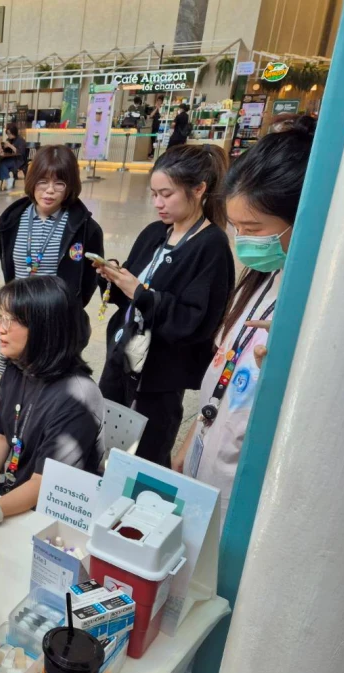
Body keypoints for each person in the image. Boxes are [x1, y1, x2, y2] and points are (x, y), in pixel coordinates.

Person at [174, 116, 316, 530]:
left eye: (253, 228)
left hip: (250, 492)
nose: (243, 241)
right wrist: (191, 438)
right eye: (236, 227)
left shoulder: (309, 301)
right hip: (208, 454)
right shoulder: (263, 277)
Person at [96, 145, 234, 467]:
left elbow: (196, 321)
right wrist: (114, 277)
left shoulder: (210, 246)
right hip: (123, 359)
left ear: (199, 189)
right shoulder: (155, 232)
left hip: (159, 376)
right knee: (104, 442)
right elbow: (131, 289)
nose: (157, 203)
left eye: (166, 194)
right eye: (154, 194)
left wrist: (141, 292)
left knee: (146, 455)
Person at [0, 144, 104, 477]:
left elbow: (86, 285)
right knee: (7, 391)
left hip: (54, 328)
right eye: (43, 182)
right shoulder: (13, 219)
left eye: (59, 183)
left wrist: (56, 313)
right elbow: (9, 267)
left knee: (45, 400)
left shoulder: (84, 227)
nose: (50, 191)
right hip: (19, 324)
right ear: (31, 181)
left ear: (70, 185)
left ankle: (35, 468)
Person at [0, 276, 104, 527]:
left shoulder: (77, 397)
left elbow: (44, 484)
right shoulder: (17, 367)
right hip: (12, 500)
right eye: (1, 316)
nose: (0, 327)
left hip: (51, 518)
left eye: (14, 320)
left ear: (45, 328)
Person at [0, 122, 25, 187]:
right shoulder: (9, 139)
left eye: (9, 133)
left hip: (18, 160)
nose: (8, 135)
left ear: (14, 132)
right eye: (7, 133)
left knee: (3, 164)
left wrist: (10, 146)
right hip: (10, 158)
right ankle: (7, 179)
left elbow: (20, 152)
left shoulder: (20, 140)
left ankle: (8, 179)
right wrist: (2, 146)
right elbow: (4, 151)